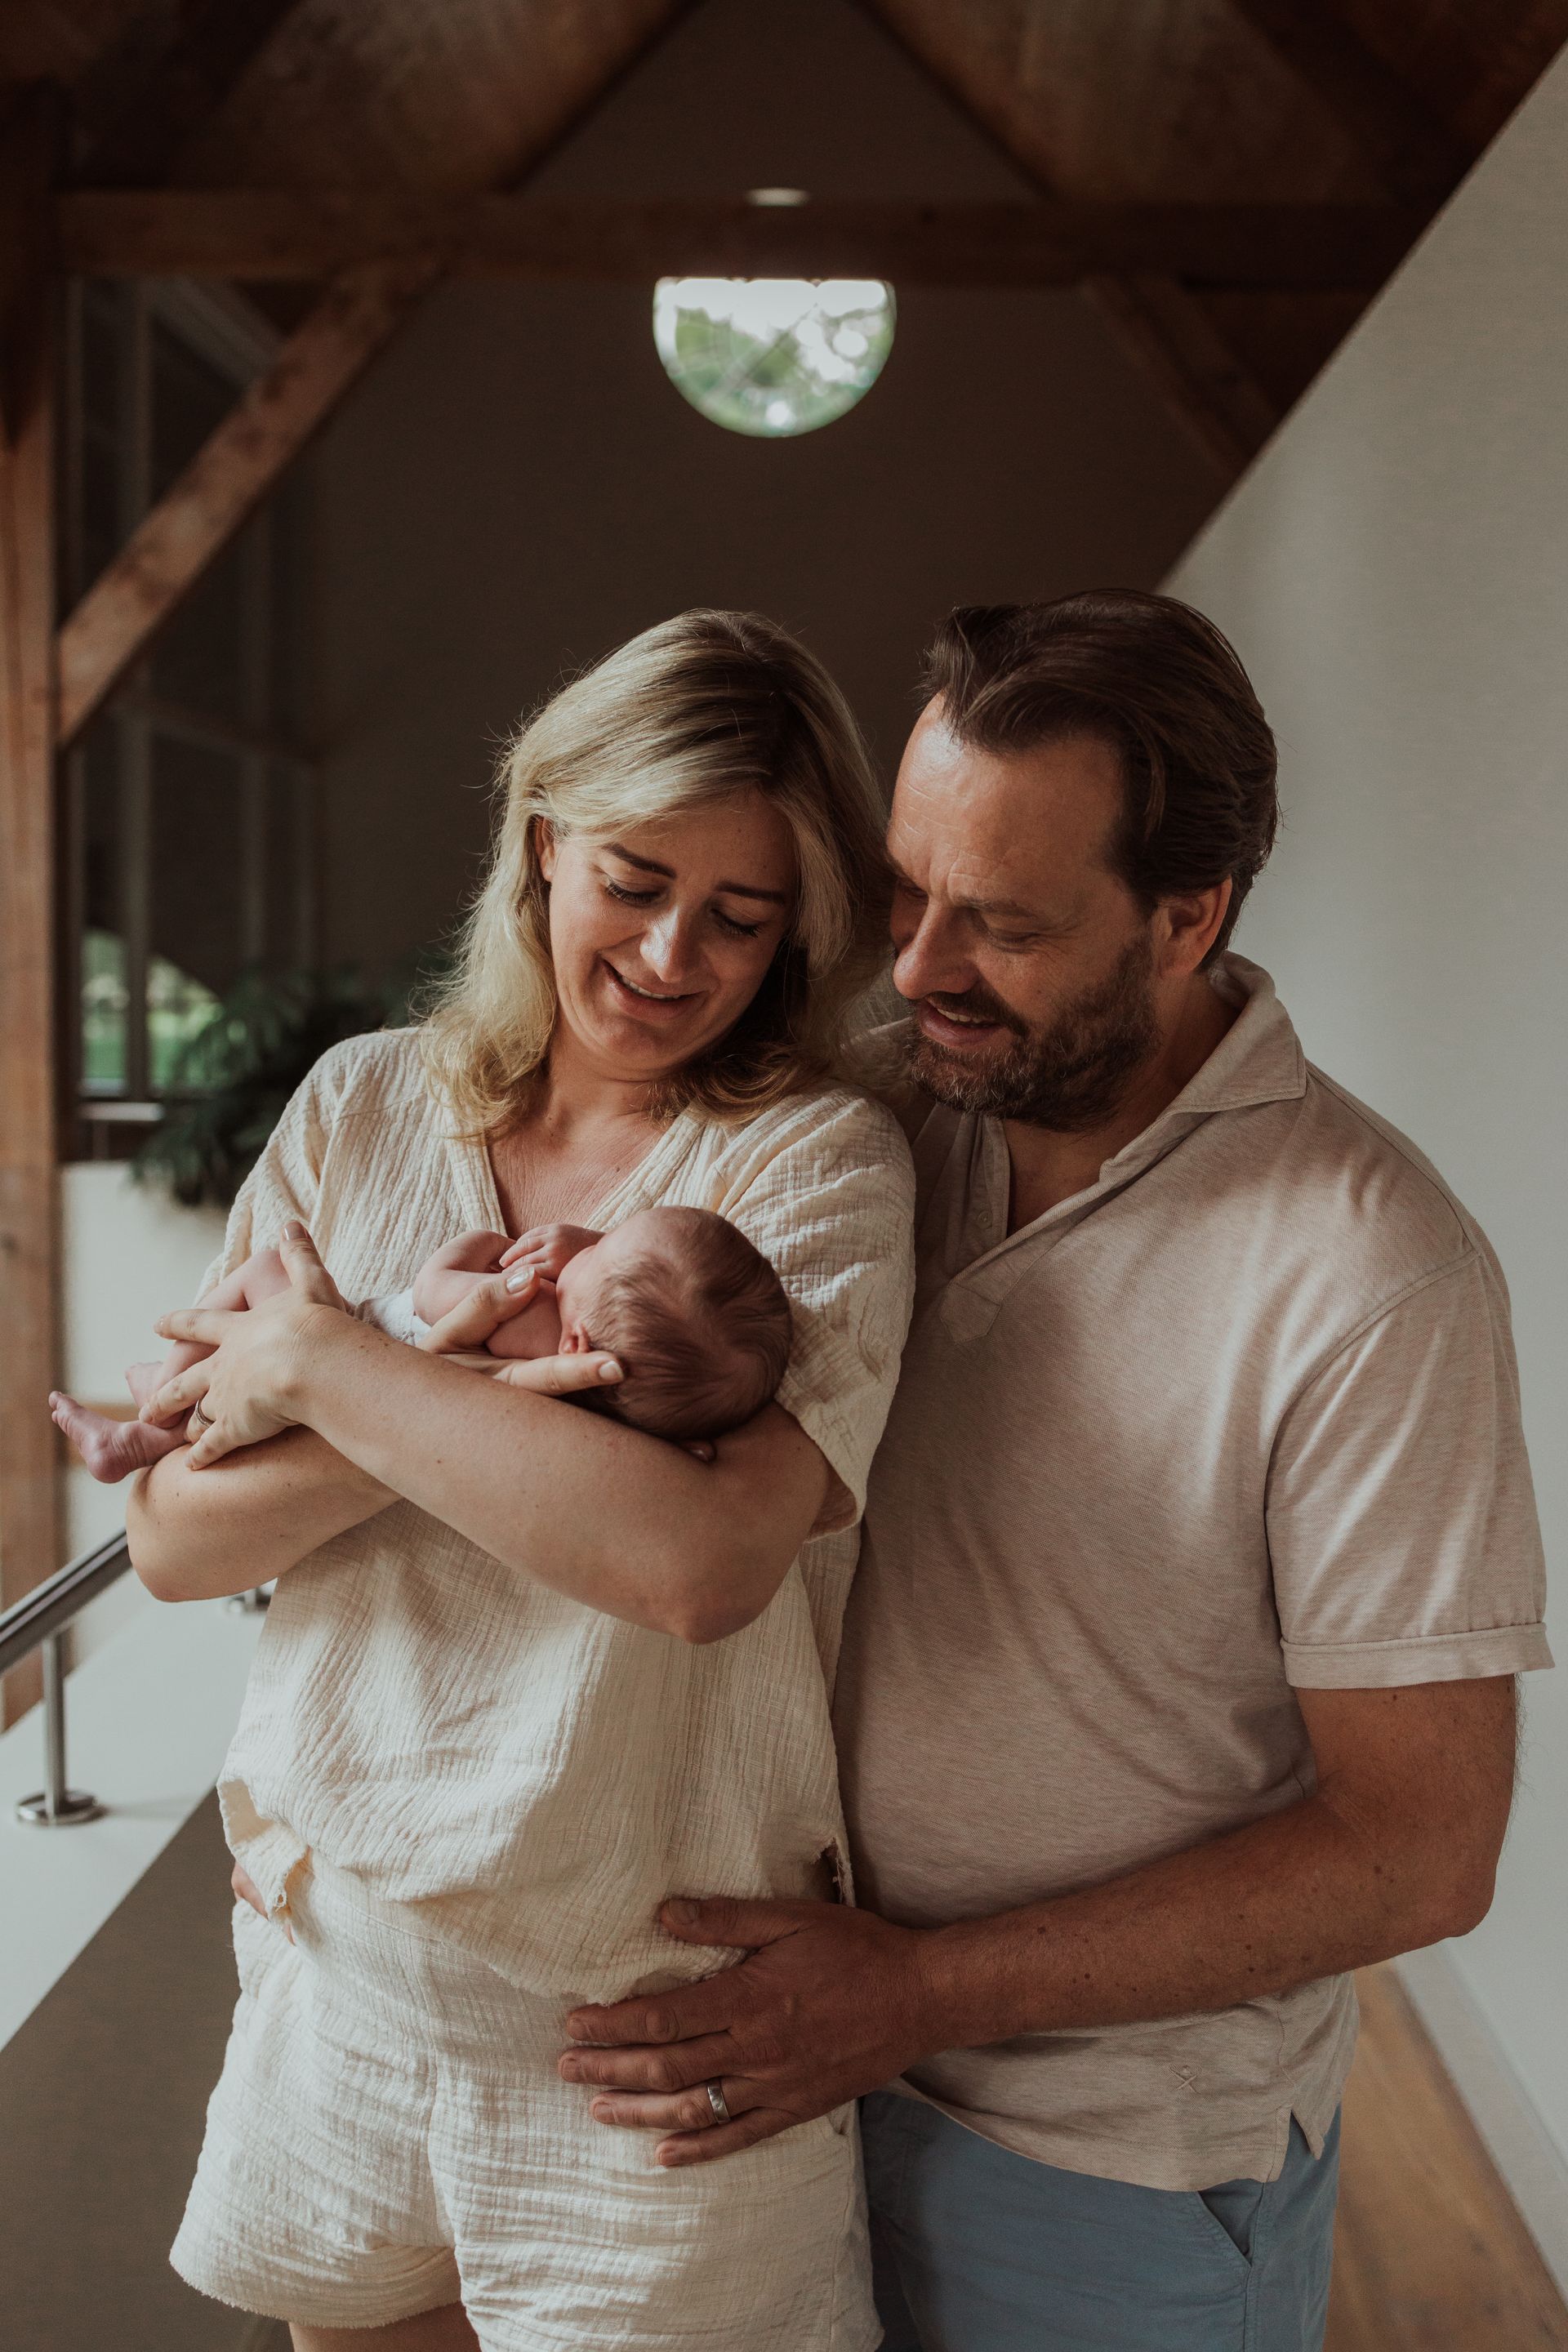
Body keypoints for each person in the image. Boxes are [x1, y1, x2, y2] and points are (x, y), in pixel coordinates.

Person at [555, 591, 1551, 2352]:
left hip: (1111, 2183)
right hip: (771, 2076)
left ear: (1189, 918)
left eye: (1001, 923)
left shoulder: (1375, 1272)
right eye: (906, 892)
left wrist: (918, 1994)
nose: (921, 966)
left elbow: (1422, 1851)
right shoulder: (863, 1122)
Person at [125, 609, 915, 2352]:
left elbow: (697, 1564)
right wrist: (476, 1410)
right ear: (543, 838)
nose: (668, 952)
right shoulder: (355, 1111)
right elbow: (174, 1535)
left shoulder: (811, 1160)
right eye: (632, 879)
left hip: (653, 2018)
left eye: (740, 914)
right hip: (351, 1969)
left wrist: (339, 1366)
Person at [53, 1202, 794, 1477]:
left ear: (576, 1342)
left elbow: (437, 1290)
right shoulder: (602, 1408)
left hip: (343, 1344)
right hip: (334, 1402)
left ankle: (161, 1404)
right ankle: (154, 1435)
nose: (587, 1242)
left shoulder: (527, 1311)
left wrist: (484, 1244)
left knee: (268, 1270)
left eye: (603, 1247)